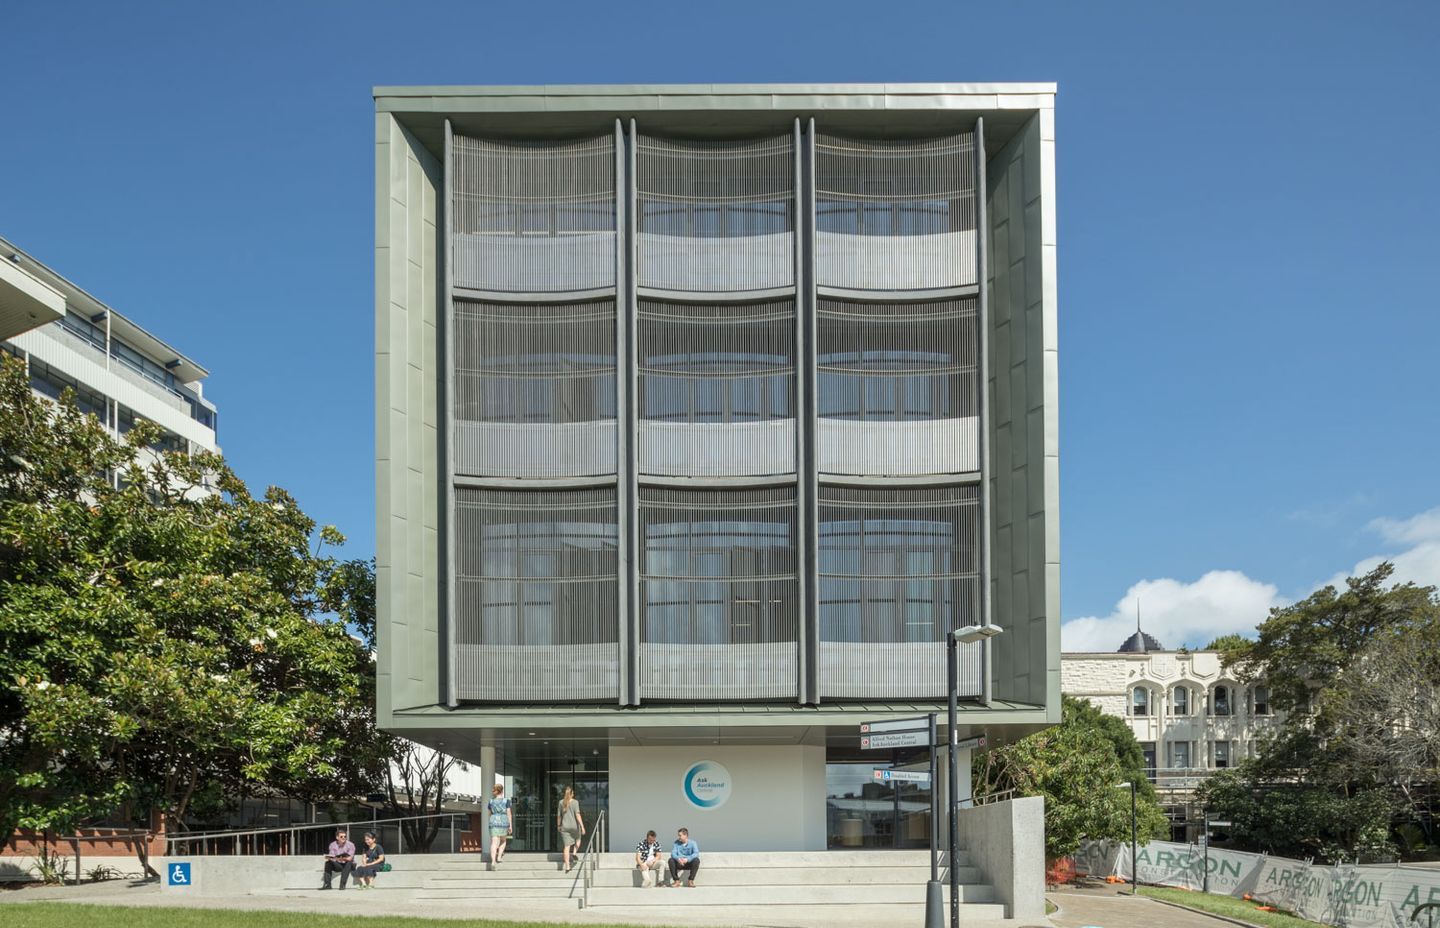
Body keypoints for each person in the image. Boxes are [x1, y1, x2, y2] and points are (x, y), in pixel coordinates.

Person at [556, 785, 586, 873]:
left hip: (564, 827)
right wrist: (582, 826)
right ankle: (574, 852)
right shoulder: (575, 802)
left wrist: (558, 825)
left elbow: (559, 816)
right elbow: (577, 815)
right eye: (573, 793)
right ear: (572, 794)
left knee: (566, 847)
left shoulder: (561, 802)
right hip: (574, 827)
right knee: (578, 839)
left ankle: (567, 866)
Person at [486, 783, 513, 866]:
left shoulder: (491, 801)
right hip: (503, 821)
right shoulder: (506, 801)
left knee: (494, 842)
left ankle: (493, 862)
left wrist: (492, 820)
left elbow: (489, 813)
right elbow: (509, 813)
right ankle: (499, 857)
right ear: (502, 791)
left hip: (493, 821)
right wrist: (510, 825)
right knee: (503, 840)